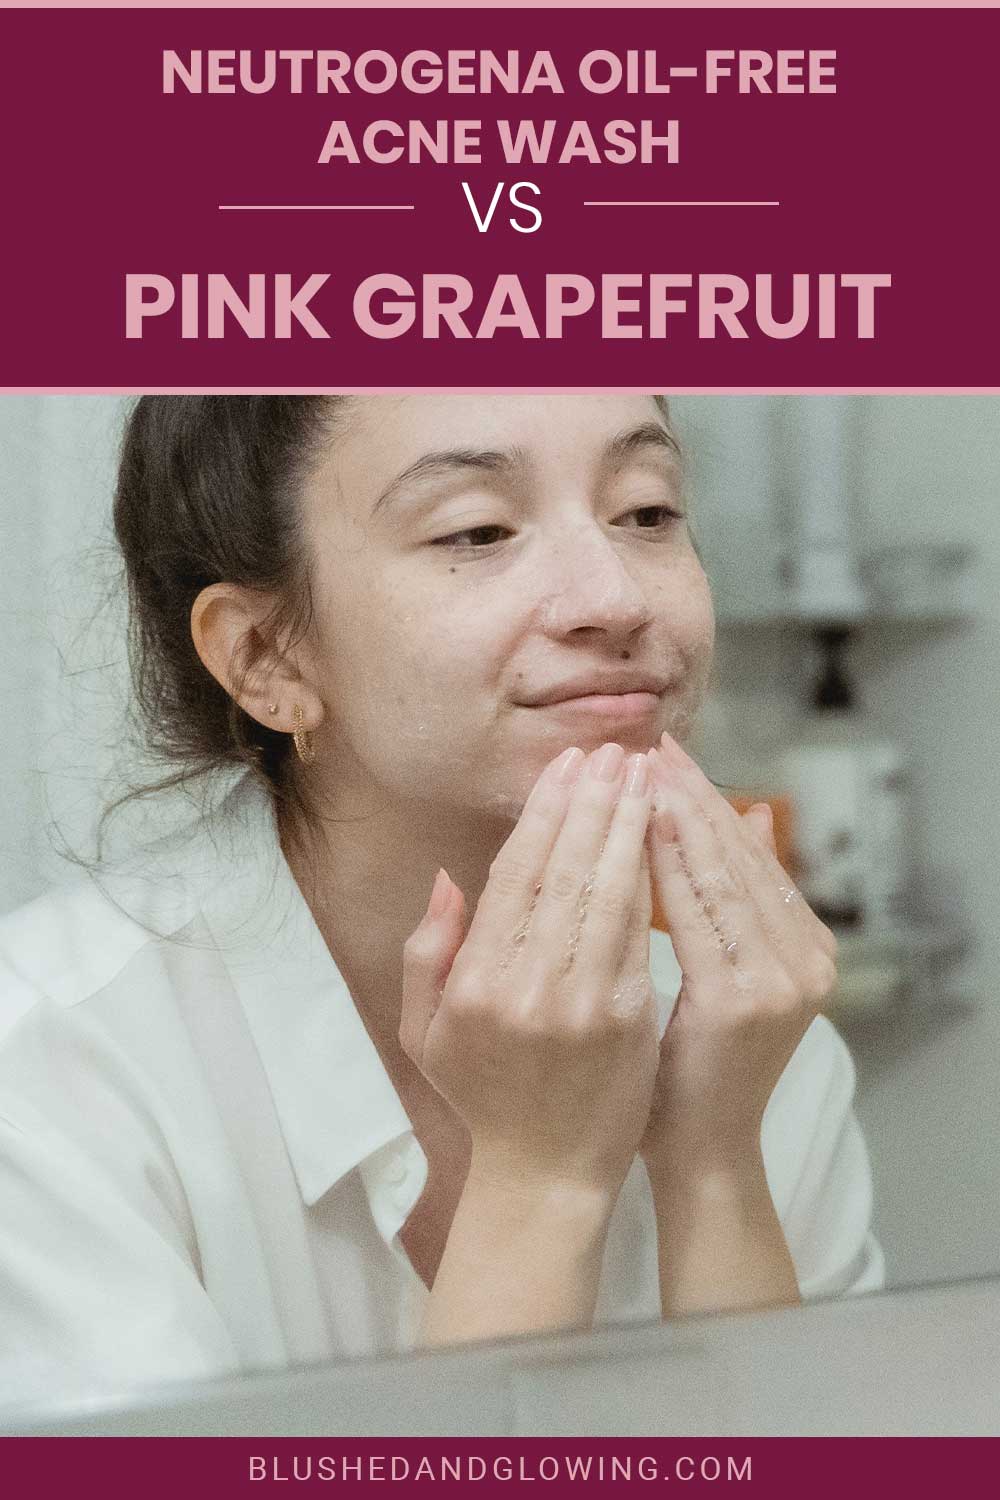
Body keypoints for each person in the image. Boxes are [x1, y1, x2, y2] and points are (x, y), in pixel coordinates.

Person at [0, 395, 883, 1404]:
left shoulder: (744, 1024)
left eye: (646, 513)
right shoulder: (44, 1074)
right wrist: (536, 1181)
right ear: (267, 658)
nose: (617, 597)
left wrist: (715, 1162)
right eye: (477, 530)